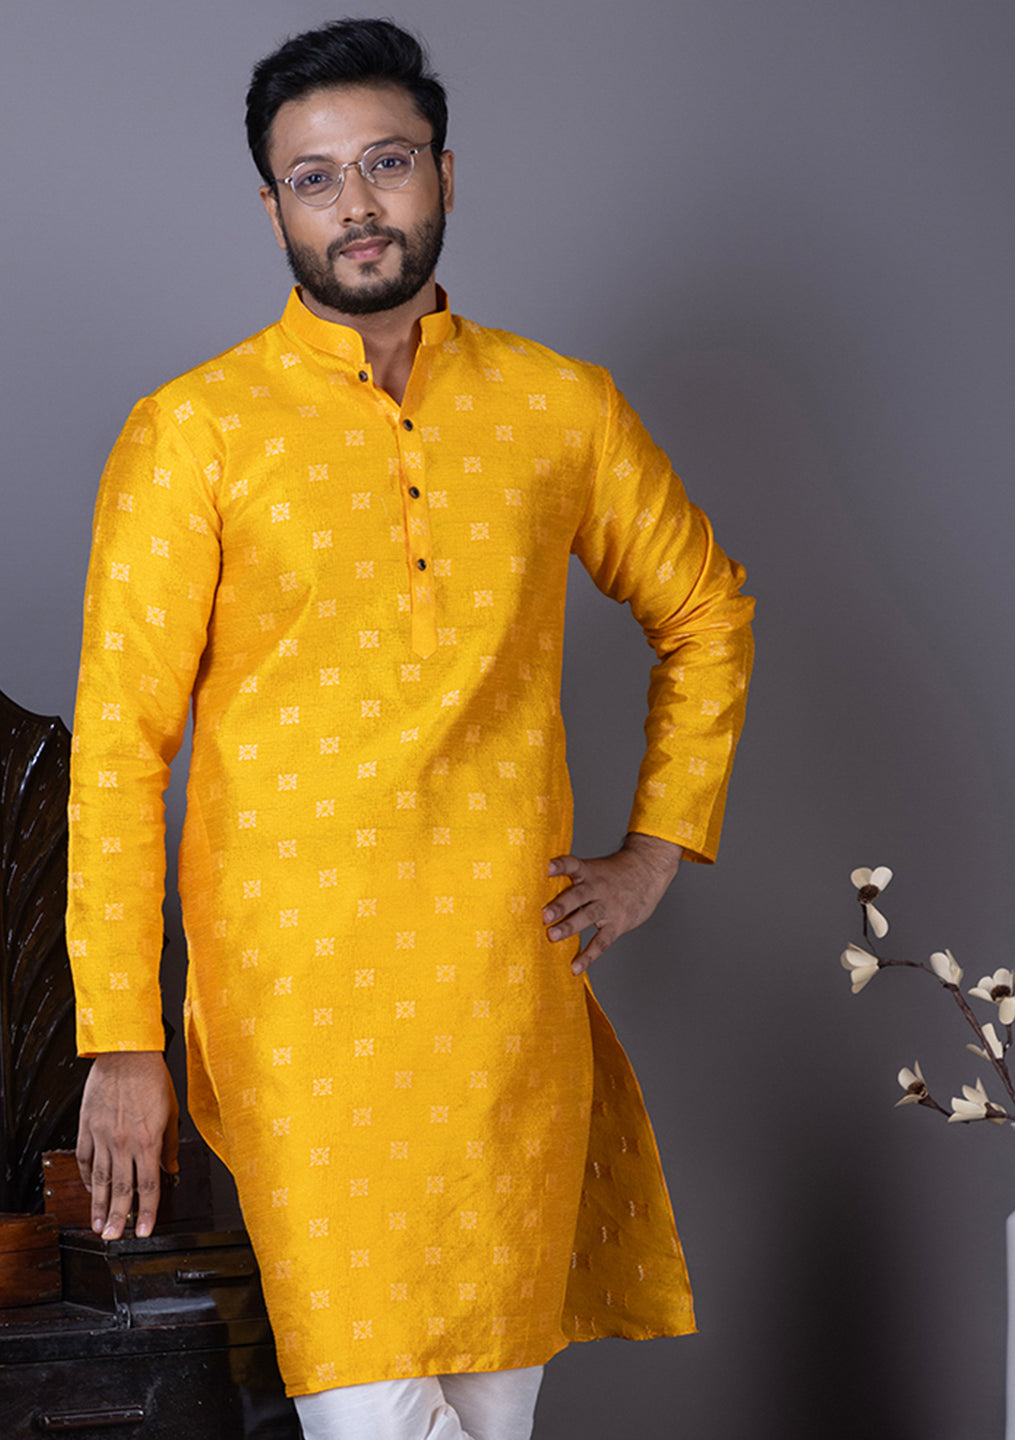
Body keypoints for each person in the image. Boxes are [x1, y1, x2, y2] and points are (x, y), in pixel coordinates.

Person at [66, 18, 754, 1440]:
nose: (357, 204)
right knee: (375, 1412)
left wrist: (657, 851)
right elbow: (120, 749)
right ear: (273, 209)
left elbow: (707, 611)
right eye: (315, 179)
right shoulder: (195, 432)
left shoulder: (558, 406)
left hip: (504, 992)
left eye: (386, 162)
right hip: (296, 1001)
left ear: (445, 172)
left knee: (494, 1413)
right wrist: (121, 1036)